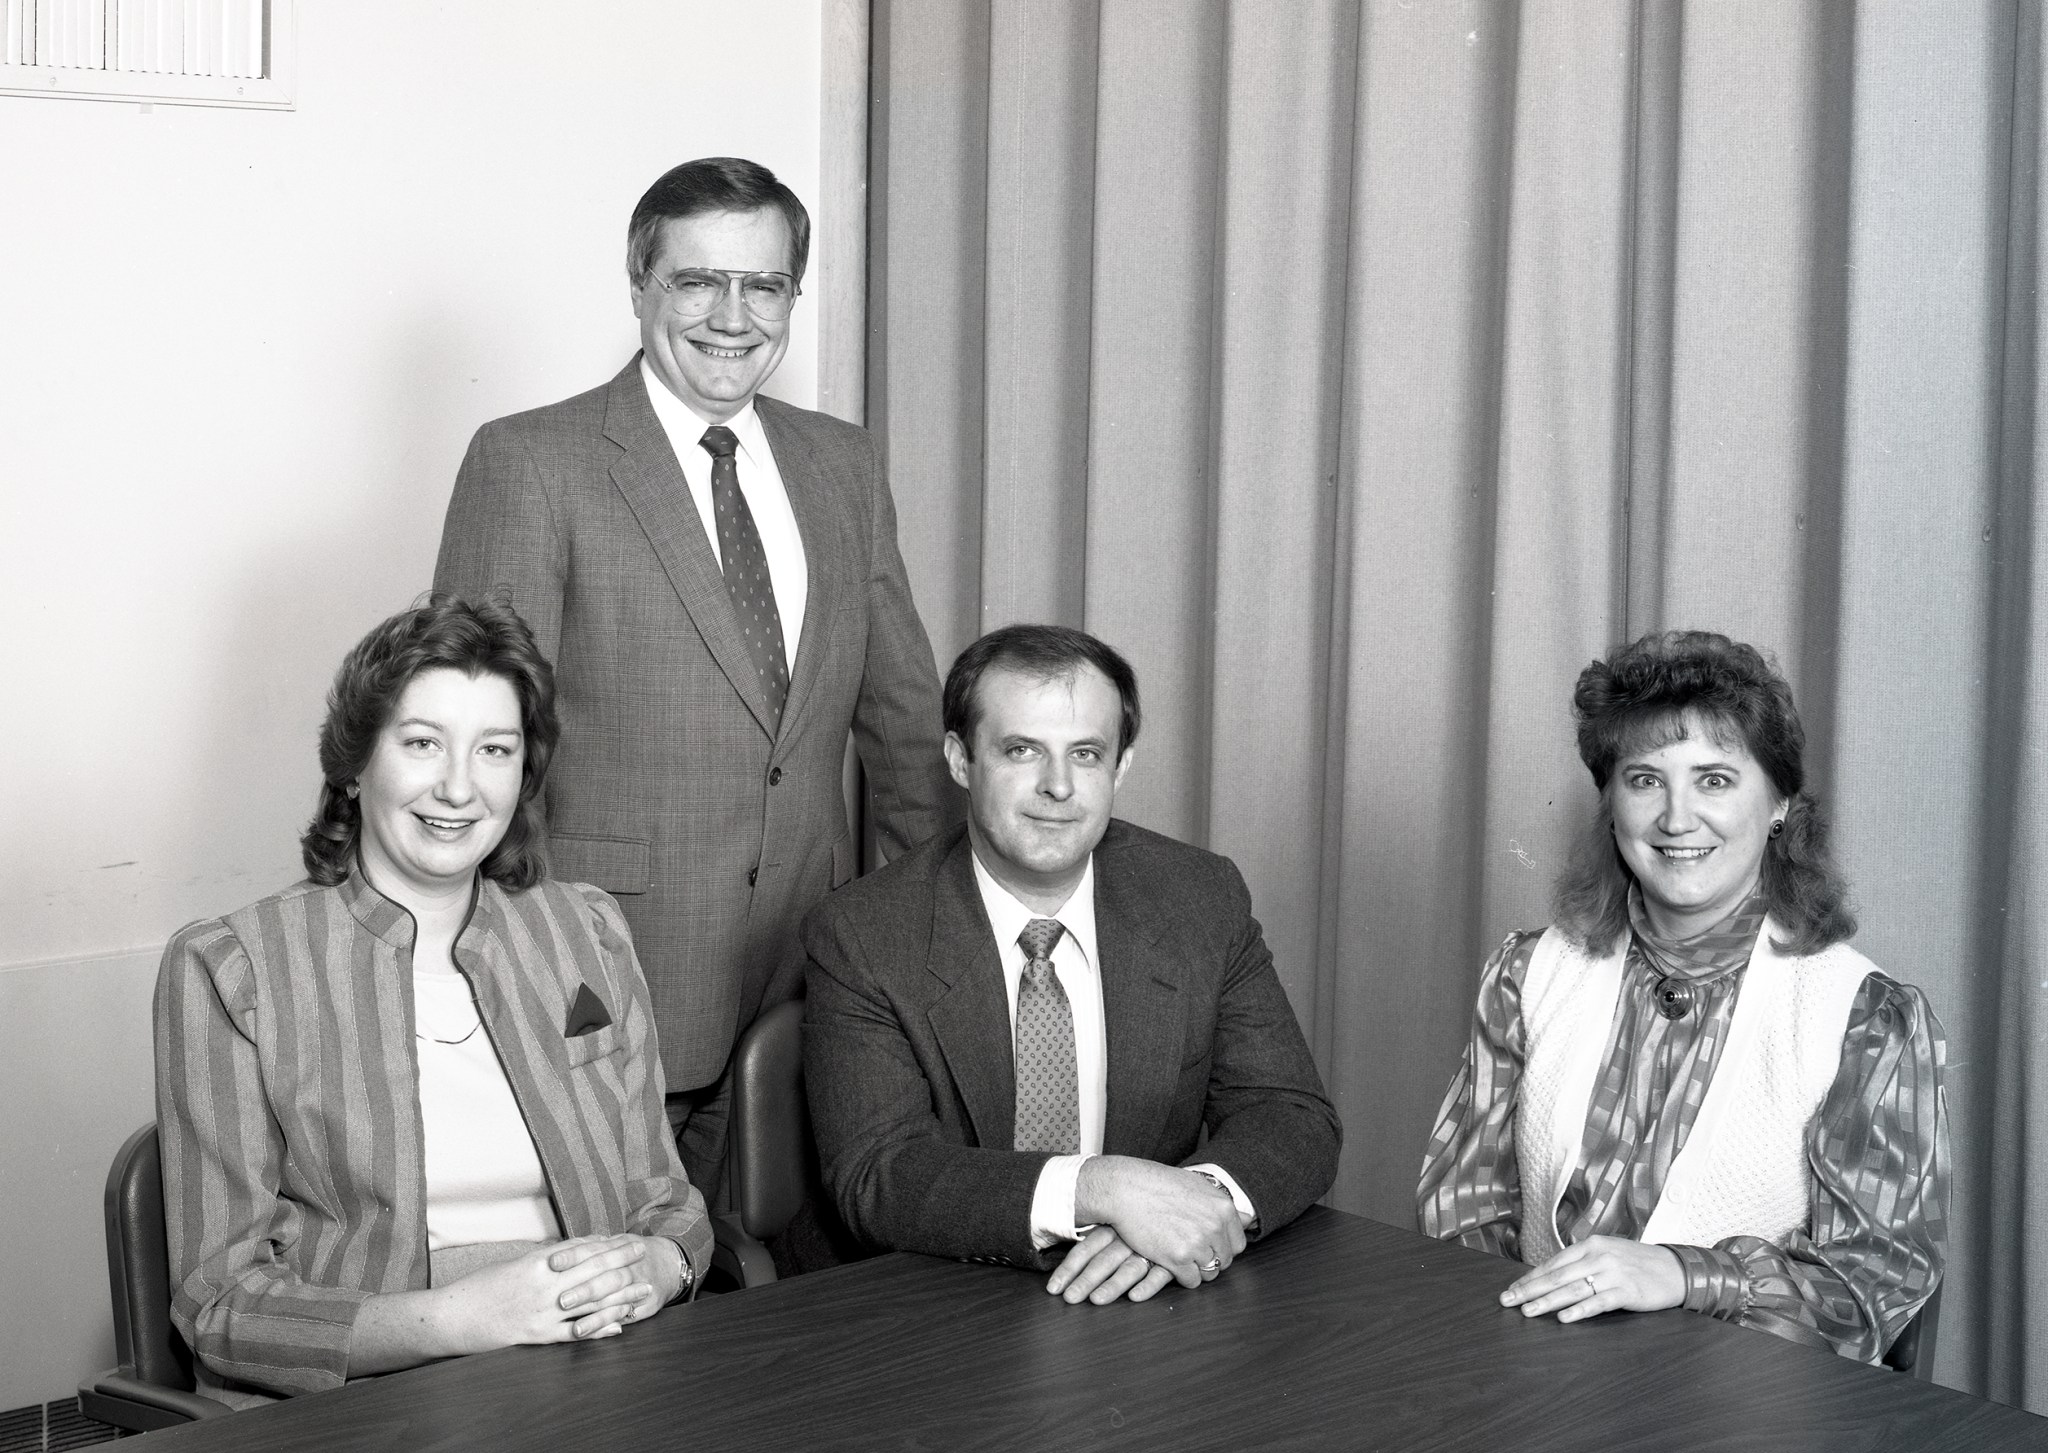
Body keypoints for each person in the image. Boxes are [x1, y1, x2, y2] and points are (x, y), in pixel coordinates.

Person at [433, 156, 954, 1192]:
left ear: (791, 298)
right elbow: (477, 740)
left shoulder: (841, 463)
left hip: (813, 968)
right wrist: (509, 968)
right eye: (695, 281)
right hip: (609, 972)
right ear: (638, 285)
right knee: (623, 1299)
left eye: (762, 285)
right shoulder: (531, 461)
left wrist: (933, 933)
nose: (732, 316)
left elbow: (900, 722)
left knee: (788, 1302)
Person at [157, 597, 712, 1405]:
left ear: (524, 773)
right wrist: (458, 1321)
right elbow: (222, 1303)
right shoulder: (232, 969)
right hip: (361, 1409)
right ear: (354, 765)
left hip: (596, 1375)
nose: (458, 787)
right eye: (423, 744)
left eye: (495, 749)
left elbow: (667, 1203)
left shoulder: (587, 931)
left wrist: (666, 1265)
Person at [1417, 629, 1949, 1363]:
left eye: (1715, 779)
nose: (1675, 818)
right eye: (1645, 780)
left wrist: (1687, 1273)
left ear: (1780, 805)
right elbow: (1462, 1214)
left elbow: (1873, 1285)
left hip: (1741, 1418)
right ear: (1611, 803)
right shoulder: (1527, 972)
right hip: (1534, 1384)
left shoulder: (1866, 1018)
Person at [801, 624, 1342, 1304]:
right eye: (1022, 750)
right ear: (960, 760)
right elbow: (878, 1175)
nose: (1058, 786)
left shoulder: (1199, 899)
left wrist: (1190, 1209)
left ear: (1119, 768)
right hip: (926, 1306)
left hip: (1139, 1304)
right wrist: (1097, 1189)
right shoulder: (864, 933)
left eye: (1085, 754)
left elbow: (1291, 1114)